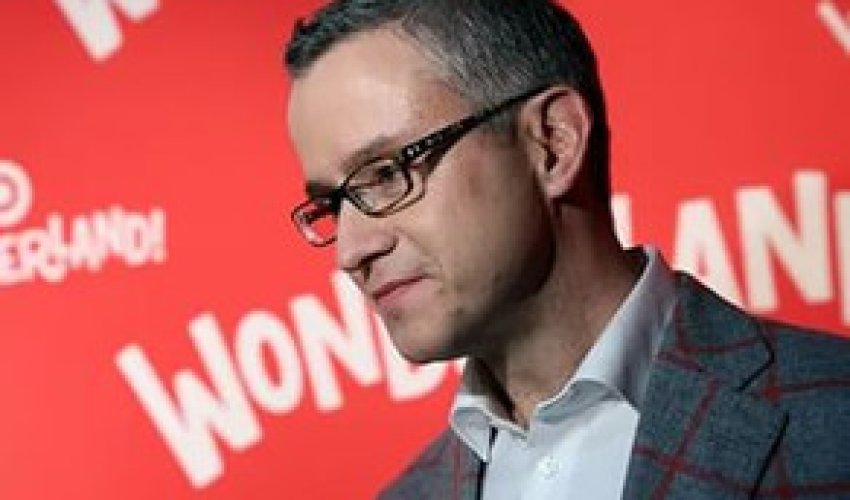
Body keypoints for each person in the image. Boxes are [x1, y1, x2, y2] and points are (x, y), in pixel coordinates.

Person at [282, 0, 850, 498]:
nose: (350, 252)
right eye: (331, 205)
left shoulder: (832, 415)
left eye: (385, 174)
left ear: (552, 142)